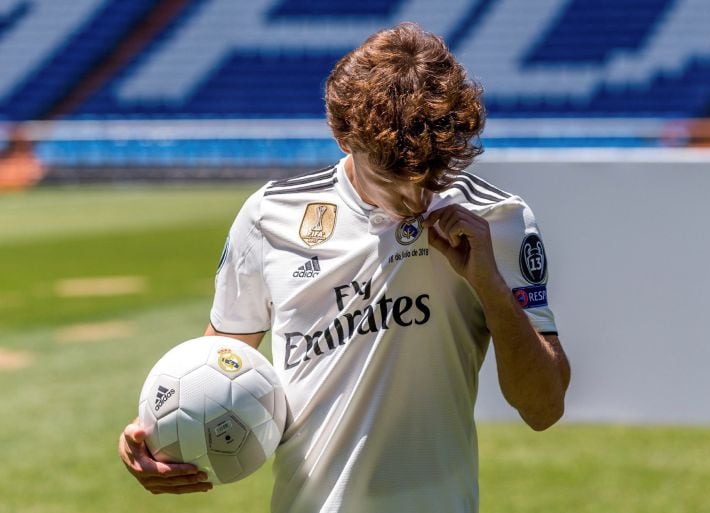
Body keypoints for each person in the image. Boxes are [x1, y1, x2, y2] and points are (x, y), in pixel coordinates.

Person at [119, 21, 570, 513]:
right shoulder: (270, 216)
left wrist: (489, 283)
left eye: (430, 175)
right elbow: (219, 365)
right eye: (392, 178)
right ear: (341, 136)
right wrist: (155, 435)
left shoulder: (497, 220)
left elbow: (544, 408)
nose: (415, 198)